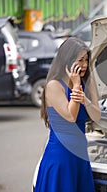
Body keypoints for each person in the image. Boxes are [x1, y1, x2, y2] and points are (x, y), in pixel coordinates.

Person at [34, 37, 101, 192]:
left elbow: (97, 116)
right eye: (80, 60)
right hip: (61, 156)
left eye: (86, 60)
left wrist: (86, 100)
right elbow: (71, 116)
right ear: (67, 60)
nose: (84, 65)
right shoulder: (54, 85)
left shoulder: (87, 82)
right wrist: (76, 86)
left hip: (80, 155)